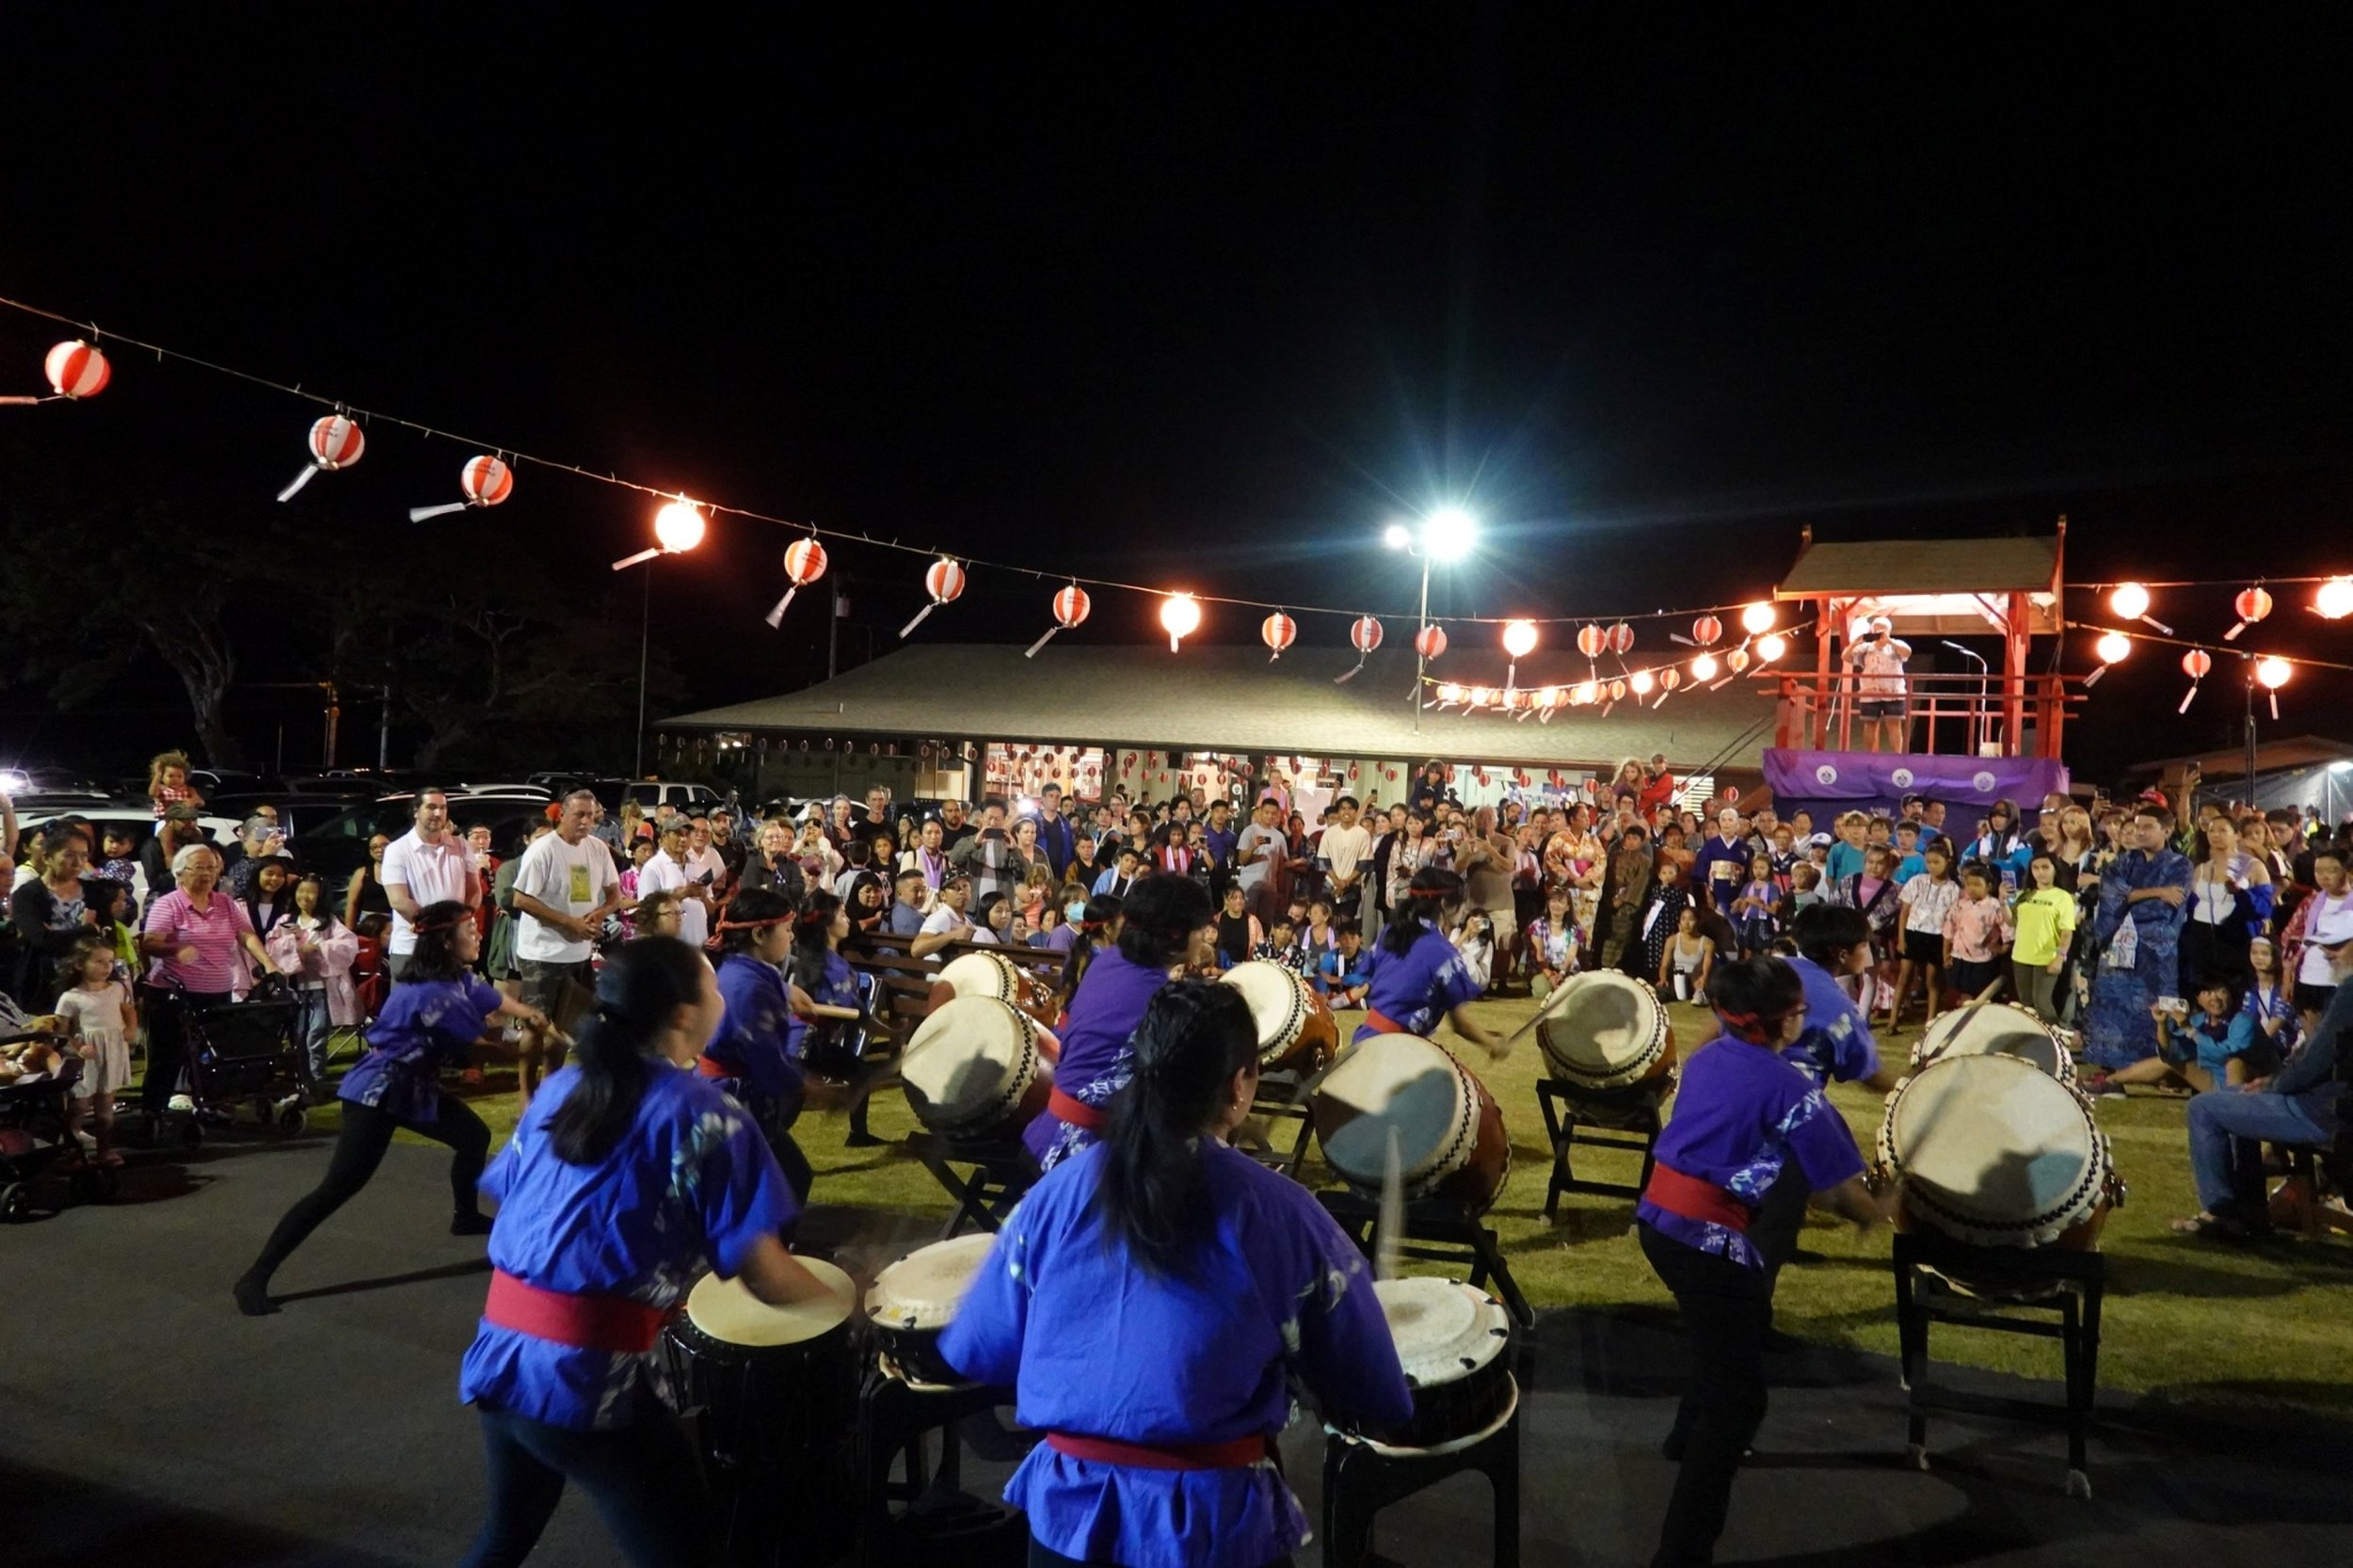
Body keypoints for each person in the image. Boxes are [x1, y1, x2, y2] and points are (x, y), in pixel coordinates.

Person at [939, 980, 1414, 1568]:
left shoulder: (1054, 1197)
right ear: (1241, 1084)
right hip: (1209, 1526)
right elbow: (1371, 1387)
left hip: (1068, 1522)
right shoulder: (1281, 1212)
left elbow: (979, 1348)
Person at [451, 936, 845, 1568]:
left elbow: (522, 1204)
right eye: (713, 986)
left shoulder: (563, 1090)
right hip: (583, 1378)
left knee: (504, 1538)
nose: (723, 996)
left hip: (502, 1352)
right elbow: (766, 1277)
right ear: (686, 1013)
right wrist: (854, 1303)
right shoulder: (706, 1115)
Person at [1636, 956, 1891, 1568]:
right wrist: (1883, 1209)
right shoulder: (1791, 1089)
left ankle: (1680, 1438)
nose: (1804, 1017)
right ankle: (1680, 1554)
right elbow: (1835, 1194)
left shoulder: (1709, 1058)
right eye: (1799, 1010)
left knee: (1727, 1335)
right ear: (1781, 1021)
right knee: (1740, 1400)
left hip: (1658, 1220)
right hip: (1707, 1239)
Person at [235, 902, 543, 1315]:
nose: (478, 936)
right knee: (338, 1188)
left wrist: (530, 1014)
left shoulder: (454, 978)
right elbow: (480, 1049)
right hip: (378, 1091)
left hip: (413, 1085)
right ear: (446, 941)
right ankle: (254, 1277)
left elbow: (490, 998)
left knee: (473, 1136)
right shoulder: (434, 993)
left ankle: (465, 1216)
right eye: (469, 930)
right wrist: (532, 1047)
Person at [1024, 875, 1214, 1172]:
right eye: (1201, 930)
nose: (1204, 938)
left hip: (1048, 1131)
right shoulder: (1158, 996)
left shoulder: (1110, 960)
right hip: (1083, 1155)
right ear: (1177, 935)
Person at [2175, 941, 2351, 1240]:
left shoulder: (2349, 992)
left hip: (2326, 1112)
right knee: (2239, 1102)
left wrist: (2273, 1086)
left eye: (2337, 945)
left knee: (2203, 1108)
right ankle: (2251, 1210)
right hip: (2333, 1108)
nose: (2328, 953)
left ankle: (2220, 1212)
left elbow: (2316, 1061)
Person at [139, 843, 286, 1126]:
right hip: (174, 993)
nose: (208, 873)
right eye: (199, 867)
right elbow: (150, 942)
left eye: (212, 867)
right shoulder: (168, 904)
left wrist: (269, 963)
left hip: (217, 991)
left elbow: (246, 935)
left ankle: (209, 1105)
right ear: (180, 873)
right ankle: (154, 1110)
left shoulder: (225, 903)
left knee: (214, 1054)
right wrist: (176, 949)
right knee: (168, 1054)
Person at [705, 887, 820, 1198]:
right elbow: (766, 1063)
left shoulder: (741, 972)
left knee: (784, 1177)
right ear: (758, 935)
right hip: (732, 1100)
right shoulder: (747, 988)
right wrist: (812, 1088)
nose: (791, 937)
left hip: (732, 1094)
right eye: (786, 929)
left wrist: (785, 991)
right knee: (785, 1181)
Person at [2083, 805, 2193, 1078]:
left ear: (2166, 830)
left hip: (2156, 949)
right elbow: (2110, 893)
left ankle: (2160, 1065)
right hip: (2120, 943)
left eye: (2148, 827)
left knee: (2153, 1006)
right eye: (2137, 827)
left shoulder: (2180, 865)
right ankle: (2110, 1062)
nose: (2140, 833)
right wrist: (2155, 891)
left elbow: (2169, 904)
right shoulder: (2124, 861)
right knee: (2113, 1003)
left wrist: (2131, 897)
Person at [1353, 867, 1507, 1057]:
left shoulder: (1392, 931)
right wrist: (1491, 1043)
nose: (1463, 910)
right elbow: (1460, 1025)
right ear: (1444, 904)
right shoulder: (1443, 952)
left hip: (1365, 1038)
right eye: (1461, 903)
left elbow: (1370, 977)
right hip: (1396, 1053)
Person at [266, 873, 362, 1084]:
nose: (305, 896)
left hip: (321, 988)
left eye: (311, 892)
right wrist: (294, 945)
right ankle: (303, 1078)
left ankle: (316, 1078)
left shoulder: (328, 921)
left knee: (316, 1035)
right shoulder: (285, 921)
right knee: (298, 1036)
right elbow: (272, 947)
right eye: (301, 891)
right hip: (295, 988)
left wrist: (318, 944)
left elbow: (347, 944)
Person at [2108, 975, 2272, 1096]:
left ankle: (2234, 1113)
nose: (2214, 998)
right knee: (2169, 1062)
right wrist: (2162, 1024)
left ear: (2231, 995)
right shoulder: (2199, 1020)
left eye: (2221, 991)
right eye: (2207, 992)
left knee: (2235, 1063)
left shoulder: (2243, 1021)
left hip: (2253, 1084)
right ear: (2198, 999)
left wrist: (2189, 1029)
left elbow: (2225, 1054)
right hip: (2215, 1080)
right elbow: (2171, 1053)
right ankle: (2110, 1081)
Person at [382, 790, 483, 984]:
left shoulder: (461, 846)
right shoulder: (397, 850)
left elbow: (474, 891)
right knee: (410, 1008)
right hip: (412, 948)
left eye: (442, 808)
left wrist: (459, 925)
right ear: (415, 812)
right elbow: (399, 901)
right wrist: (439, 930)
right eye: (431, 807)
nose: (438, 813)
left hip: (452, 946)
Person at [56, 934, 136, 1166]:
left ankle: (104, 1151)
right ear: (80, 964)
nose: (106, 967)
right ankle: (72, 1149)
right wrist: (77, 1048)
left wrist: (130, 1028)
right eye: (99, 962)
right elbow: (62, 1033)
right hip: (86, 1057)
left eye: (110, 961)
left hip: (112, 1051)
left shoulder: (117, 988)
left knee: (105, 1107)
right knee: (79, 1104)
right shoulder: (71, 998)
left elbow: (128, 1010)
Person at [2179, 815, 2272, 997]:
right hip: (2202, 940)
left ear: (2237, 835)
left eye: (2223, 830)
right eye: (2212, 830)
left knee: (2235, 994)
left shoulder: (2253, 866)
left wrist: (2240, 893)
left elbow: (2264, 908)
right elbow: (2190, 909)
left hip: (2236, 940)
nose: (2215, 835)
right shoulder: (2201, 869)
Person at [1886, 840, 1961, 1033]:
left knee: (1932, 982)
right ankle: (1893, 1020)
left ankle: (1930, 1023)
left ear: (1948, 862)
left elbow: (1952, 921)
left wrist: (1947, 949)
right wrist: (1902, 938)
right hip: (1913, 933)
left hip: (1937, 937)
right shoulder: (1917, 881)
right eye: (1929, 862)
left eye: (1937, 862)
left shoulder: (1954, 889)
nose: (1932, 866)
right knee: (1905, 977)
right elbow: (1904, 912)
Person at [2281, 847, 2351, 1032]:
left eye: (2332, 870)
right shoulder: (2310, 902)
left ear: (2348, 871)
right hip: (2311, 977)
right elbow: (2292, 939)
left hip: (2342, 980)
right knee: (2314, 1038)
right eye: (2318, 871)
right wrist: (2288, 976)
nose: (2324, 876)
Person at [1942, 859, 2014, 1005]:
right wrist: (1946, 953)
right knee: (1961, 996)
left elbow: (2008, 930)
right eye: (1969, 884)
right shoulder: (1959, 904)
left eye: (1977, 885)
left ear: (1988, 886)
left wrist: (2002, 949)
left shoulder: (1994, 906)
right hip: (1959, 958)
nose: (1972, 888)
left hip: (1983, 961)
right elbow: (1949, 930)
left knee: (1983, 997)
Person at [1842, 614, 1913, 753]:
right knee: (1869, 723)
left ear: (1889, 630)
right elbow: (1845, 657)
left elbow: (1907, 652)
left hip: (1893, 692)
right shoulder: (1866, 647)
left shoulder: (1895, 645)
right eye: (1876, 629)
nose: (1878, 632)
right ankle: (1869, 755)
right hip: (1870, 692)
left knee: (1894, 723)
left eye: (1882, 629)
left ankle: (1897, 757)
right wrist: (1855, 643)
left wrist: (1890, 641)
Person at [912, 872, 975, 959]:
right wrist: (953, 935)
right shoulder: (942, 916)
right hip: (938, 971)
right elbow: (916, 949)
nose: (961, 891)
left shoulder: (968, 921)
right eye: (954, 888)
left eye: (965, 886)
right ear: (943, 895)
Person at [344, 830, 393, 935]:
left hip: (393, 924)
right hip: (368, 925)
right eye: (374, 847)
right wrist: (349, 930)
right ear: (369, 851)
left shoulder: (403, 870)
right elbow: (352, 903)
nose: (379, 850)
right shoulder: (362, 873)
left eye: (384, 845)